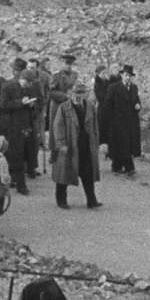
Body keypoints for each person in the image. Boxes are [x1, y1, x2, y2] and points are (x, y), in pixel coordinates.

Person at [51, 80, 102, 210]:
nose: (78, 96)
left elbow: (95, 126)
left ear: (85, 94)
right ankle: (61, 200)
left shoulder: (90, 106)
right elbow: (58, 126)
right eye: (75, 93)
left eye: (81, 93)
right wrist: (61, 144)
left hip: (86, 146)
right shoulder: (64, 107)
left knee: (88, 173)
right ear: (70, 93)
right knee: (64, 174)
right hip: (70, 145)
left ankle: (92, 200)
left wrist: (96, 142)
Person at [0, 59, 36, 195]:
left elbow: (33, 104)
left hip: (25, 125)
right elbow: (3, 105)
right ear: (22, 78)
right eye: (28, 82)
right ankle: (19, 184)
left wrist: (31, 105)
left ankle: (15, 180)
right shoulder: (7, 86)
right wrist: (21, 102)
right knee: (15, 155)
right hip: (11, 126)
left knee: (24, 153)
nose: (29, 85)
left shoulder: (29, 88)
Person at [104, 65, 142, 176]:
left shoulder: (134, 88)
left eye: (130, 76)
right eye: (126, 75)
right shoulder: (114, 87)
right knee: (121, 144)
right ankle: (129, 167)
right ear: (121, 75)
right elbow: (108, 105)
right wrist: (111, 120)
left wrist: (138, 106)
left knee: (127, 144)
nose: (128, 78)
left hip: (131, 121)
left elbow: (137, 101)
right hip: (118, 121)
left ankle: (117, 166)